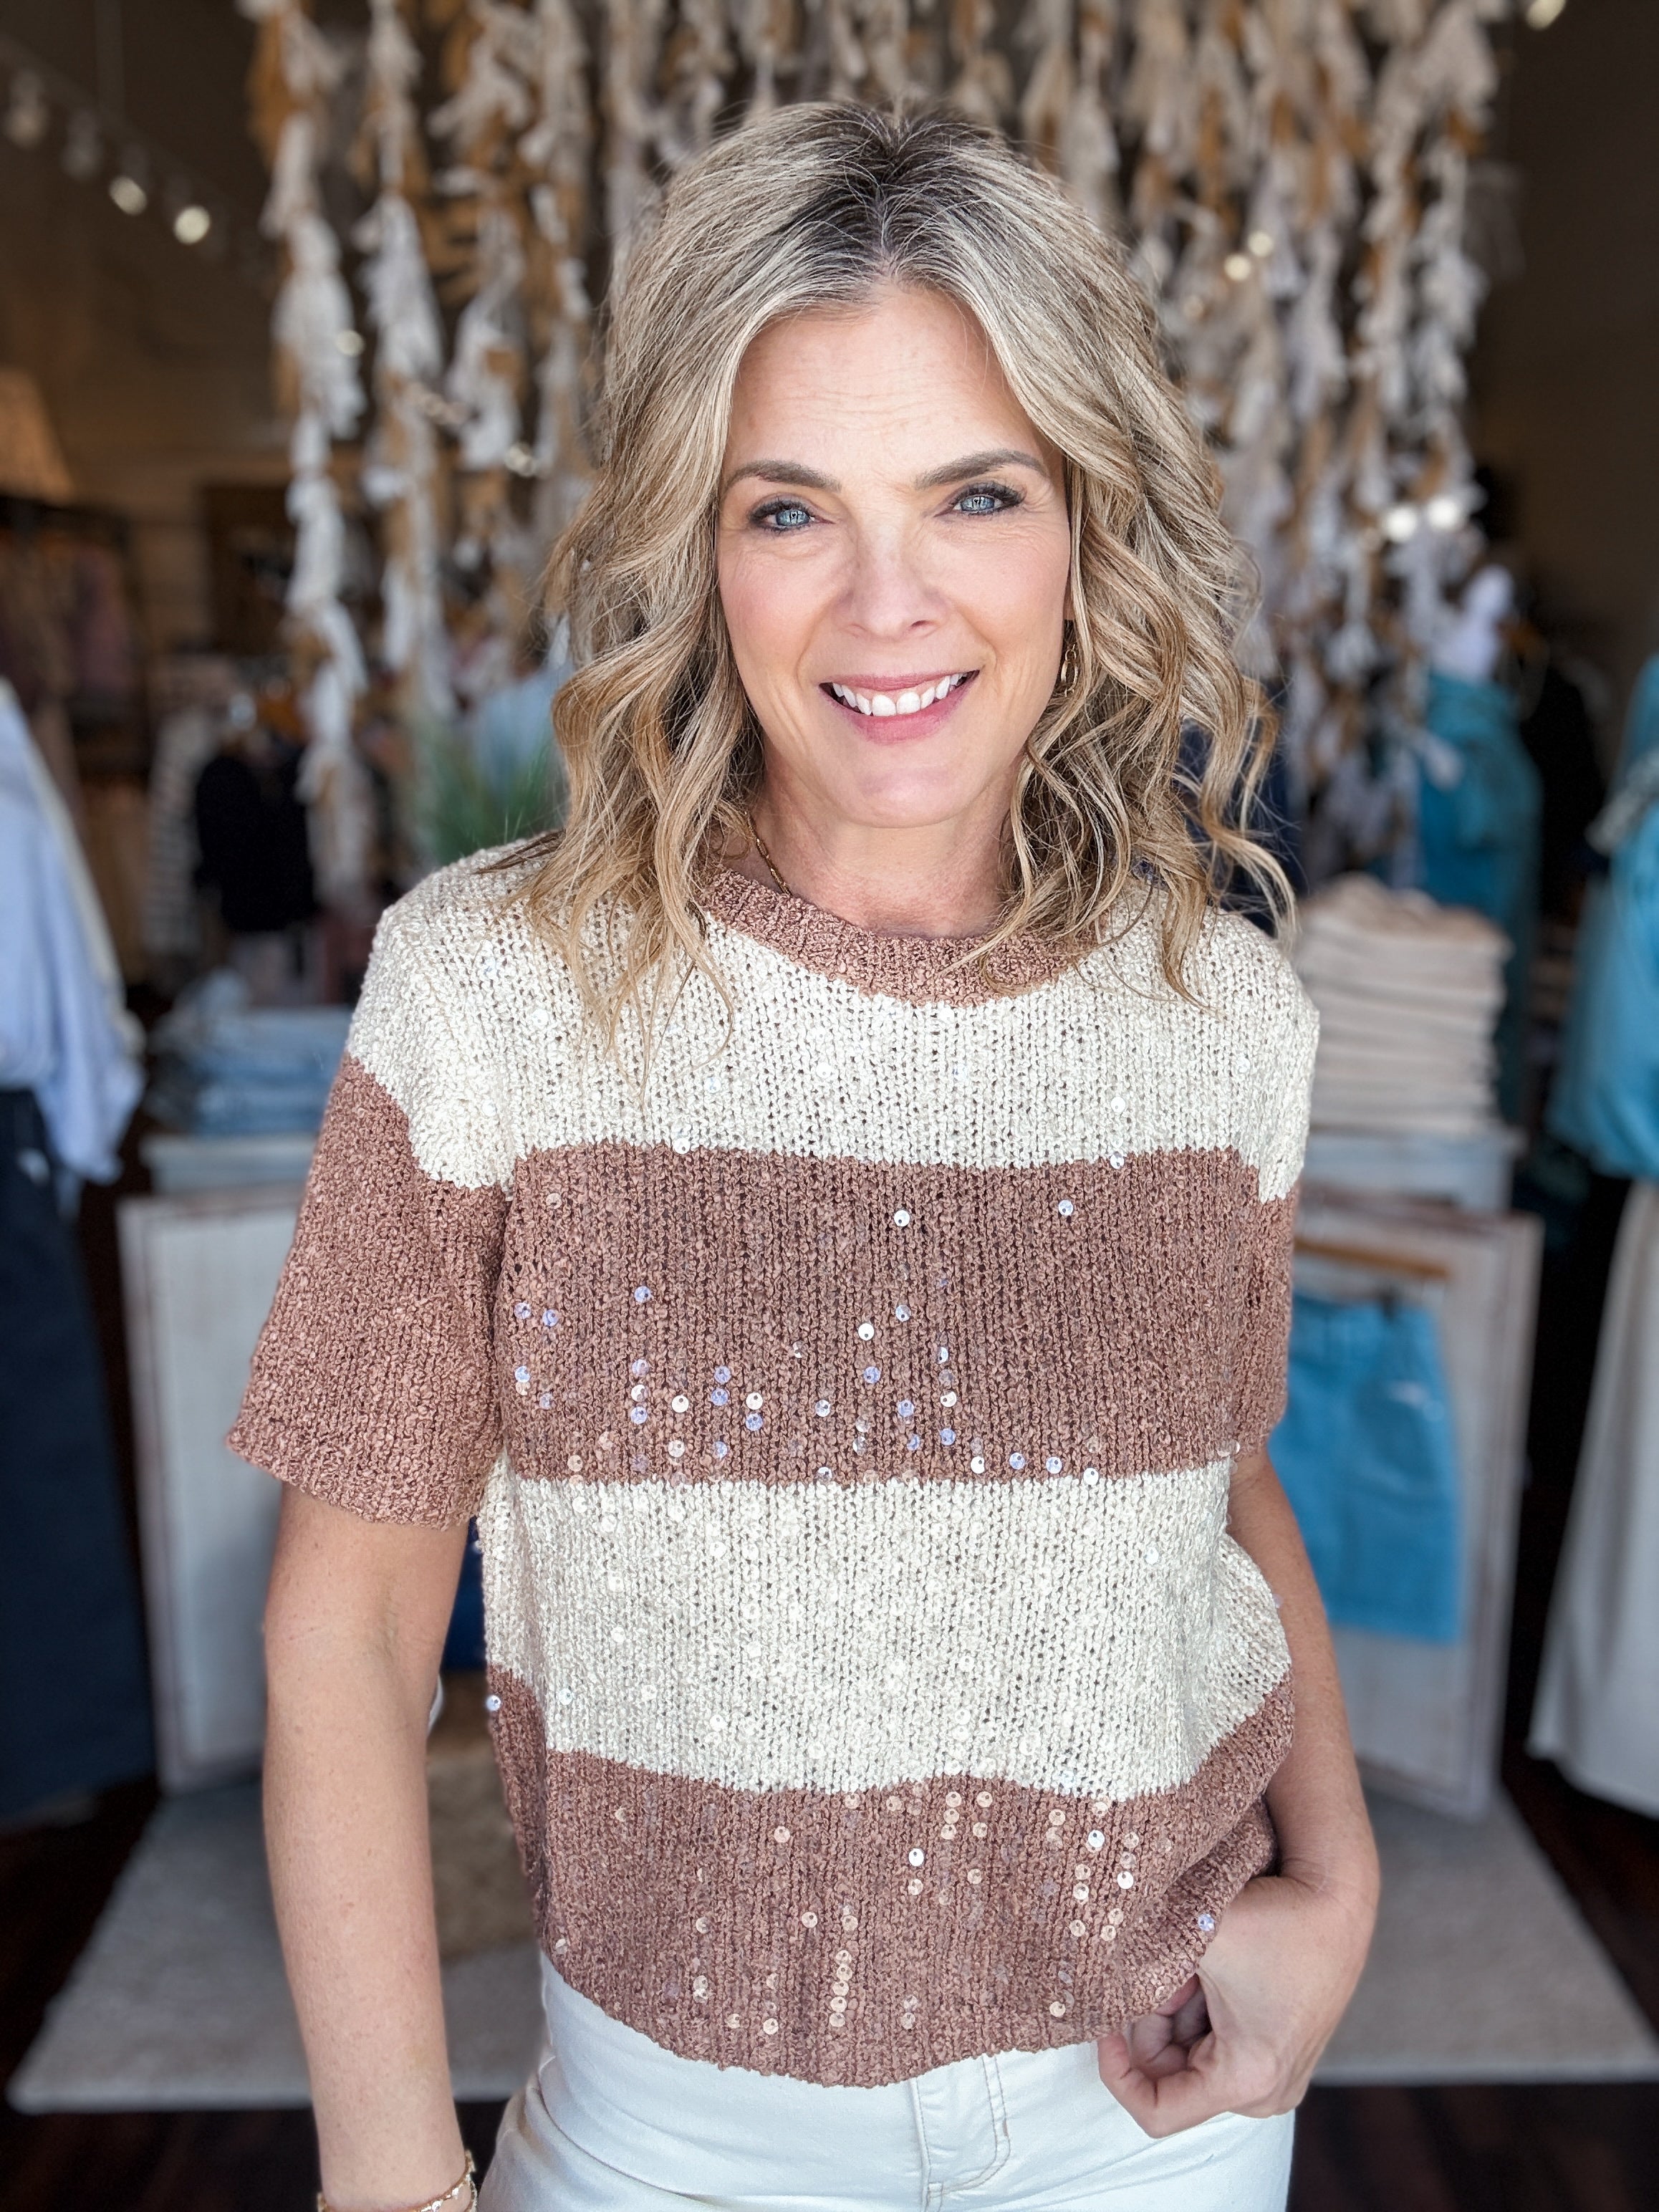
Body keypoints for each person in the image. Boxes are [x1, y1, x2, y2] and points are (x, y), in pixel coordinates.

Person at [232, 102, 1377, 2212]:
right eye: (790, 510)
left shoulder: (1220, 1017)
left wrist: (1345, 1885)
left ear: (1085, 526)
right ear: (699, 544)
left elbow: (1221, 1481)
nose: (887, 601)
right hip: (674, 2141)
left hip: (1156, 2112)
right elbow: (349, 1623)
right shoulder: (492, 992)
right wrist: (387, 2180)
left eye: (975, 495)